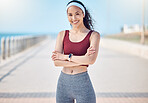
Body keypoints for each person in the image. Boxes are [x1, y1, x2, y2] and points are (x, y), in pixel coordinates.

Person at [51, 0, 100, 103]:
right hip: (63, 84)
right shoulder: (62, 34)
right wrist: (83, 59)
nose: (73, 18)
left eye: (77, 14)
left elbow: (91, 60)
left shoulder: (93, 35)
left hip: (83, 83)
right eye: (70, 15)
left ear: (83, 14)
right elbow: (56, 62)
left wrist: (65, 57)